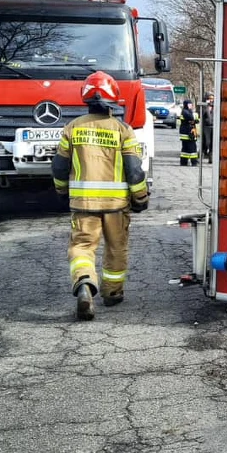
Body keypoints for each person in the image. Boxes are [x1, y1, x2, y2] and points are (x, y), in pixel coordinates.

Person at [52, 71, 150, 320]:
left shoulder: (72, 128)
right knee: (116, 248)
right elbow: (134, 170)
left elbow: (59, 167)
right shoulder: (123, 130)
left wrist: (61, 190)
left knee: (82, 247)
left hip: (83, 204)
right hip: (116, 205)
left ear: (85, 97)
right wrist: (140, 197)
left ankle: (85, 282)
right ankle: (112, 293)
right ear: (113, 98)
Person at [179, 99, 199, 166]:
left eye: (191, 104)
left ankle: (183, 162)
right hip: (187, 133)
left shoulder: (188, 111)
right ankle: (194, 162)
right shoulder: (185, 112)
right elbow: (191, 118)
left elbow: (196, 120)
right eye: (189, 104)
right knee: (192, 147)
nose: (191, 105)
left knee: (185, 148)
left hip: (188, 132)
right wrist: (194, 119)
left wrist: (194, 120)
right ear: (186, 105)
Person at [201, 92, 215, 163]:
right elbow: (202, 114)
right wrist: (206, 106)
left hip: (214, 126)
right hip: (206, 126)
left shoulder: (215, 106)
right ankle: (204, 152)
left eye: (212, 99)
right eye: (209, 98)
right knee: (207, 142)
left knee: (213, 143)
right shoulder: (204, 107)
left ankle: (211, 158)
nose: (211, 100)